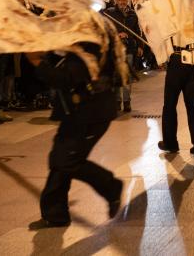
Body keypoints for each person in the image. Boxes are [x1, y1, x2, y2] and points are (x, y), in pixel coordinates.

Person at [25, 45, 123, 229]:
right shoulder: (73, 40)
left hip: (91, 112)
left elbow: (68, 78)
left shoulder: (86, 41)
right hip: (78, 111)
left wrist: (37, 62)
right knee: (60, 158)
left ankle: (110, 186)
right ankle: (55, 214)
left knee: (66, 161)